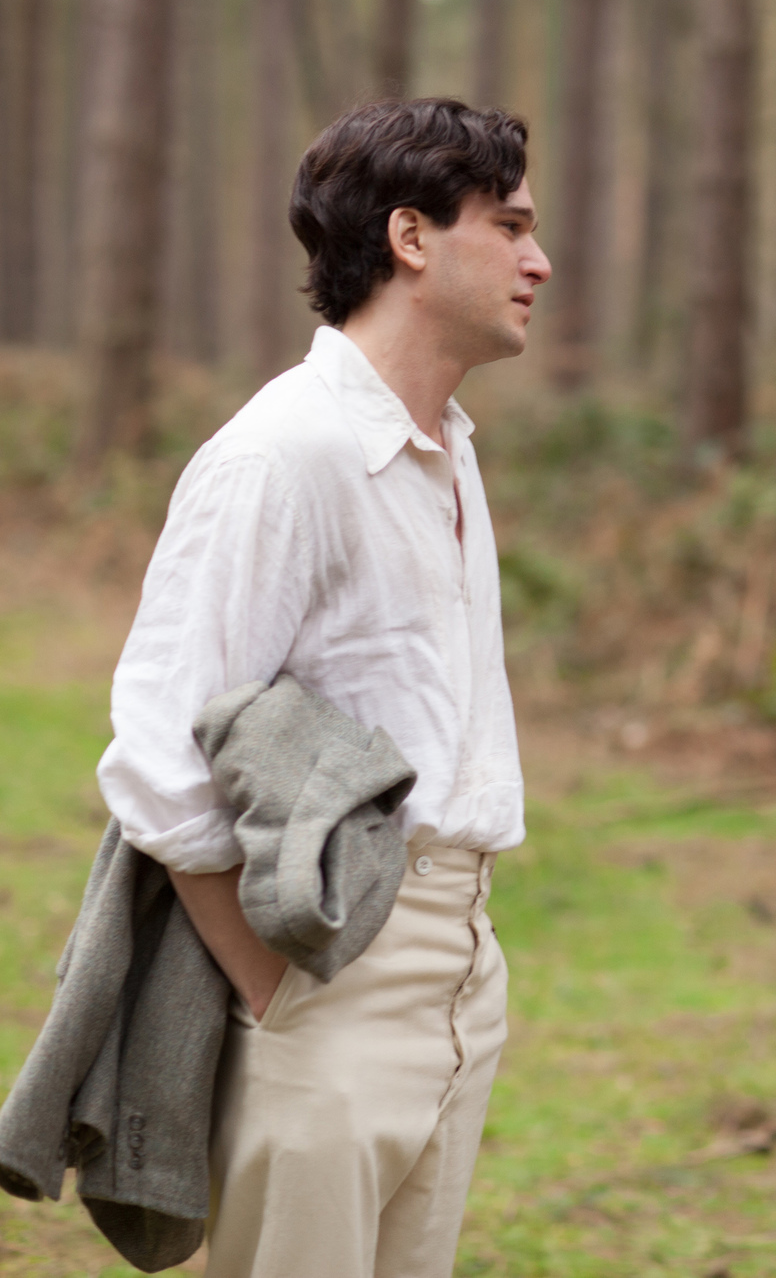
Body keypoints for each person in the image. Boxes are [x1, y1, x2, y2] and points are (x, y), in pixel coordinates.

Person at [95, 97, 550, 1277]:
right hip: (323, 975)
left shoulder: (447, 444)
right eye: (508, 226)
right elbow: (158, 753)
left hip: (460, 967)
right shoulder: (279, 453)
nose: (537, 261)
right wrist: (276, 993)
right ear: (410, 238)